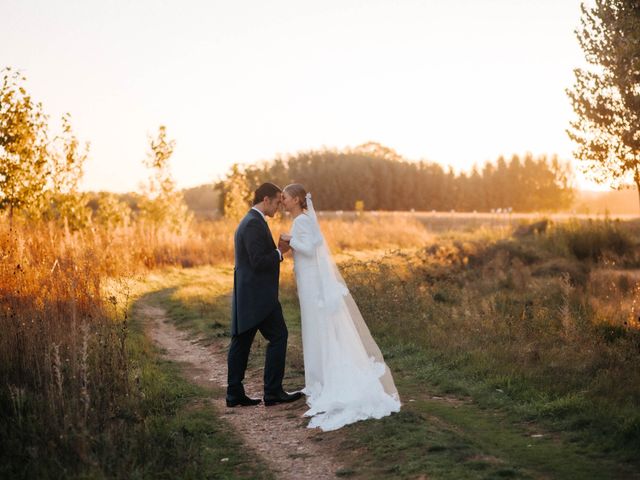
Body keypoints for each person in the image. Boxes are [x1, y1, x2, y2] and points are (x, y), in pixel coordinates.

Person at [280, 184, 401, 431]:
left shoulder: (300, 222)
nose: (282, 200)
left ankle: (320, 381)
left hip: (312, 281)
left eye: (284, 197)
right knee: (315, 327)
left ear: (296, 199)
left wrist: (289, 240)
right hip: (307, 279)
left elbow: (311, 248)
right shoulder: (302, 220)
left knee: (316, 328)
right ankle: (317, 379)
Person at [226, 182, 303, 407]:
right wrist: (280, 252)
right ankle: (272, 391)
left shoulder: (253, 221)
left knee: (241, 342)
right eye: (278, 201)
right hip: (257, 295)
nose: (280, 206)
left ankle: (235, 394)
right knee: (278, 336)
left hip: (251, 293)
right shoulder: (252, 224)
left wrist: (276, 250)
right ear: (266, 200)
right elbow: (258, 262)